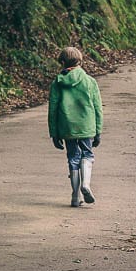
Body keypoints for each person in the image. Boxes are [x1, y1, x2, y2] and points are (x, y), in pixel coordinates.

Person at [48, 47, 102, 207]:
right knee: (87, 154)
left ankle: (74, 196)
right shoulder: (90, 81)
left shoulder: (57, 83)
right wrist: (98, 131)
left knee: (73, 158)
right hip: (87, 126)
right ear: (80, 62)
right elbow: (98, 108)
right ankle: (86, 184)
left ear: (63, 63)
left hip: (67, 127)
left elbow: (53, 110)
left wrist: (54, 133)